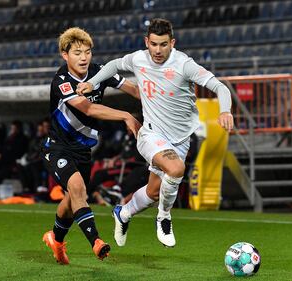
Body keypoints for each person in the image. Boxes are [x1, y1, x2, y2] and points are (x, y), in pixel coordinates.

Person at [76, 18, 234, 248]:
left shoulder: (184, 65)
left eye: (163, 44)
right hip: (150, 133)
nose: (158, 50)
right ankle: (164, 218)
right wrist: (92, 82)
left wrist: (225, 110)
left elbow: (220, 87)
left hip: (180, 139)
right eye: (153, 44)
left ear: (172, 42)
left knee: (153, 191)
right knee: (176, 169)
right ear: (146, 42)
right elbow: (113, 65)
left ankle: (123, 212)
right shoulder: (139, 58)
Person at [41, 27, 141, 265]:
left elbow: (135, 90)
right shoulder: (62, 81)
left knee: (72, 199)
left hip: (83, 151)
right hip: (57, 148)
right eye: (77, 52)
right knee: (76, 188)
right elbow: (88, 108)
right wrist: (126, 115)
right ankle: (96, 241)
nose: (84, 57)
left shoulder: (100, 72)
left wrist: (164, 96)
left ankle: (55, 238)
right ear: (65, 55)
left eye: (87, 52)